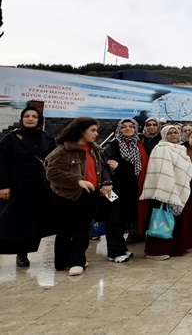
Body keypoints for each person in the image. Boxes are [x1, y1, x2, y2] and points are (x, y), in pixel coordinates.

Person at [45, 117, 111, 276]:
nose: (96, 134)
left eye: (96, 130)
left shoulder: (95, 150)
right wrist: (77, 181)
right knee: (65, 230)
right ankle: (62, 262)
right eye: (93, 130)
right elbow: (51, 172)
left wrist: (102, 184)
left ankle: (76, 261)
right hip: (68, 196)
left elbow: (97, 171)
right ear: (82, 131)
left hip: (90, 195)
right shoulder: (64, 149)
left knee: (82, 229)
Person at [0, 106, 57, 267]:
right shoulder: (10, 138)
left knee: (34, 222)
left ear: (39, 119)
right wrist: (3, 185)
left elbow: (54, 162)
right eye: (26, 116)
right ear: (22, 119)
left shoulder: (47, 138)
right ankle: (21, 254)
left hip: (39, 188)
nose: (30, 119)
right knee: (17, 222)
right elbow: (1, 163)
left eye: (34, 116)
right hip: (18, 188)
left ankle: (27, 251)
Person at [140, 125, 192, 260]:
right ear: (164, 135)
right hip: (164, 190)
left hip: (181, 189)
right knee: (162, 220)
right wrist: (168, 188)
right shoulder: (160, 149)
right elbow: (160, 171)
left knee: (179, 221)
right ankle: (156, 251)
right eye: (169, 133)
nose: (172, 135)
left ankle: (178, 248)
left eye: (175, 132)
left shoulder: (182, 149)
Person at [102, 118, 149, 262]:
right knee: (114, 218)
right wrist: (111, 175)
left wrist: (119, 166)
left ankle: (121, 248)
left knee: (123, 219)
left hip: (130, 190)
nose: (128, 129)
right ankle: (114, 252)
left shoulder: (139, 146)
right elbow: (105, 166)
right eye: (124, 127)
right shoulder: (112, 146)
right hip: (112, 189)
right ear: (119, 130)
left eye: (131, 127)